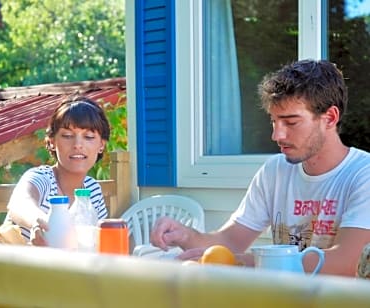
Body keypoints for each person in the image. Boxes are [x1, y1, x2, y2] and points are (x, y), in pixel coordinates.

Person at [151, 59, 370, 277]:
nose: (277, 135)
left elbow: (348, 262)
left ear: (330, 118)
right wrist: (186, 235)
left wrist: (249, 262)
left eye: (291, 123)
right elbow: (230, 241)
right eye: (274, 122)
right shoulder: (275, 170)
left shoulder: (363, 173)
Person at [5, 96, 110, 246]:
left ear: (101, 145)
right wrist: (39, 222)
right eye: (67, 136)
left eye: (88, 137)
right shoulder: (41, 178)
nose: (78, 145)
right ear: (52, 142)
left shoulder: (92, 190)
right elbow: (19, 202)